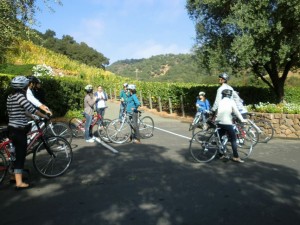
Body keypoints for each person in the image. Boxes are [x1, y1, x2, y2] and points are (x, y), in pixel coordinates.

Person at [7, 76, 49, 190]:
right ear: (23, 87)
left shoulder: (10, 97)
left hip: (12, 128)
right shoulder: (21, 97)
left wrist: (31, 116)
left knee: (14, 154)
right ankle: (19, 183)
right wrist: (43, 115)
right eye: (26, 85)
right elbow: (31, 109)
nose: (27, 87)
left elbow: (21, 110)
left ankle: (13, 176)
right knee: (20, 155)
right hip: (19, 129)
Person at [215, 89, 248, 163]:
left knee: (220, 138)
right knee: (233, 139)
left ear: (223, 95)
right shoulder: (231, 101)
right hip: (227, 122)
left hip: (219, 122)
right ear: (230, 95)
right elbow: (236, 111)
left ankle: (221, 154)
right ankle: (236, 157)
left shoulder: (221, 101)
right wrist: (242, 119)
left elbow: (218, 111)